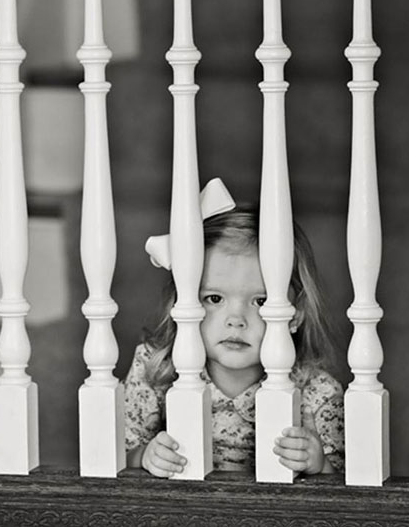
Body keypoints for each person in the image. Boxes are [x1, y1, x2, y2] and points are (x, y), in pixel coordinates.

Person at [124, 181, 344, 477]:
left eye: (260, 301)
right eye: (215, 298)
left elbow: (349, 490)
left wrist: (319, 464)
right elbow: (115, 454)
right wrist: (145, 457)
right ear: (185, 303)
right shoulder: (155, 370)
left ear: (297, 313)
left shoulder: (317, 393)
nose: (236, 320)